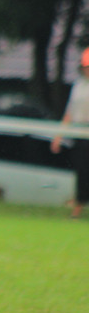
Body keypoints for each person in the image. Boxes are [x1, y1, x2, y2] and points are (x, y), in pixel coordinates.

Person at [51, 47, 89, 219]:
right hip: (80, 133)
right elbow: (70, 112)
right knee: (81, 171)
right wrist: (59, 135)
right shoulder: (79, 85)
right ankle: (78, 208)